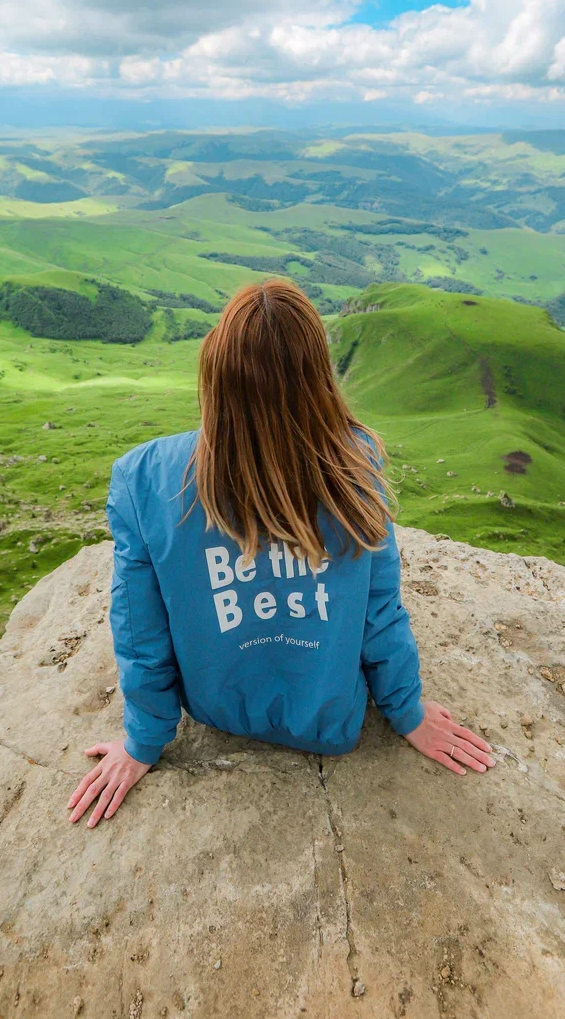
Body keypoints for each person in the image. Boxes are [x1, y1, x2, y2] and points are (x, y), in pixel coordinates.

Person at [68, 280, 494, 827]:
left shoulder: (142, 480)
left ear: (213, 372)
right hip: (329, 718)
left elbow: (139, 630)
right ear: (319, 378)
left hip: (215, 709)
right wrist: (406, 712)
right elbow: (378, 610)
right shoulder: (357, 465)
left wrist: (144, 741)